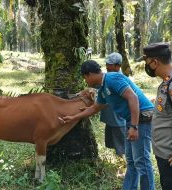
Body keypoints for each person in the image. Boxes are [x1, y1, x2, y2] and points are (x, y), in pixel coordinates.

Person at [61, 55, 155, 190]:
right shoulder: (102, 88)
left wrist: (134, 126)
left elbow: (132, 97)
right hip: (131, 120)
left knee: (142, 161)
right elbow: (94, 108)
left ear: (90, 74)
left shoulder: (112, 78)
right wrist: (73, 117)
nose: (85, 81)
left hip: (142, 118)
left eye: (85, 77)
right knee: (131, 161)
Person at [143, 42, 172, 190]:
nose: (147, 67)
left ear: (155, 62)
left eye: (147, 63)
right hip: (164, 153)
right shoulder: (167, 83)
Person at [99, 53, 126, 158]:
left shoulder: (120, 80)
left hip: (118, 120)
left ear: (118, 66)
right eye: (107, 63)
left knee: (122, 147)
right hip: (110, 118)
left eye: (110, 64)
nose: (107, 66)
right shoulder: (107, 78)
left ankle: (124, 167)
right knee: (115, 144)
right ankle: (120, 163)